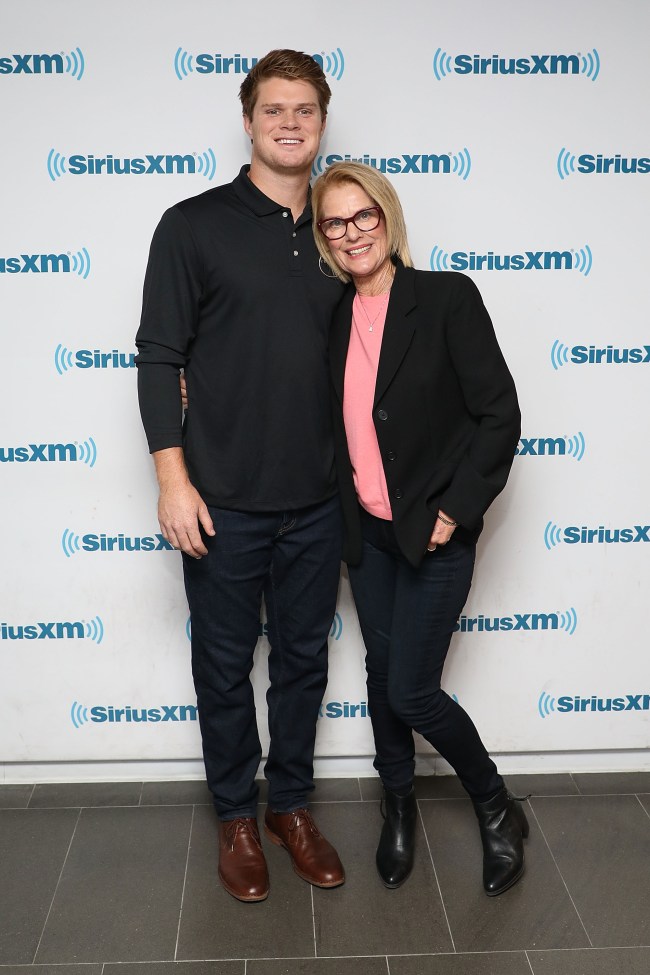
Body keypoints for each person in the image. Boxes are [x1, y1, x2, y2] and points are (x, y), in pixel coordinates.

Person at [135, 50, 346, 903]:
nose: (290, 122)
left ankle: (290, 806)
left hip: (323, 500)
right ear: (249, 119)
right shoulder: (192, 224)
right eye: (274, 109)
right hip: (221, 500)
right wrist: (172, 481)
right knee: (223, 667)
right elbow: (159, 357)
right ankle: (235, 813)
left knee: (302, 663)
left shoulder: (347, 230)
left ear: (322, 122)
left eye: (305, 109)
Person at [311, 161, 526, 896]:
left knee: (411, 690)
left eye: (363, 215)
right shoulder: (332, 313)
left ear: (387, 216)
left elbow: (500, 414)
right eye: (335, 222)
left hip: (434, 537)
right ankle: (397, 805)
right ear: (324, 235)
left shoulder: (444, 298)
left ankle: (496, 805)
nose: (352, 233)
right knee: (380, 676)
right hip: (367, 538)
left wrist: (455, 509)